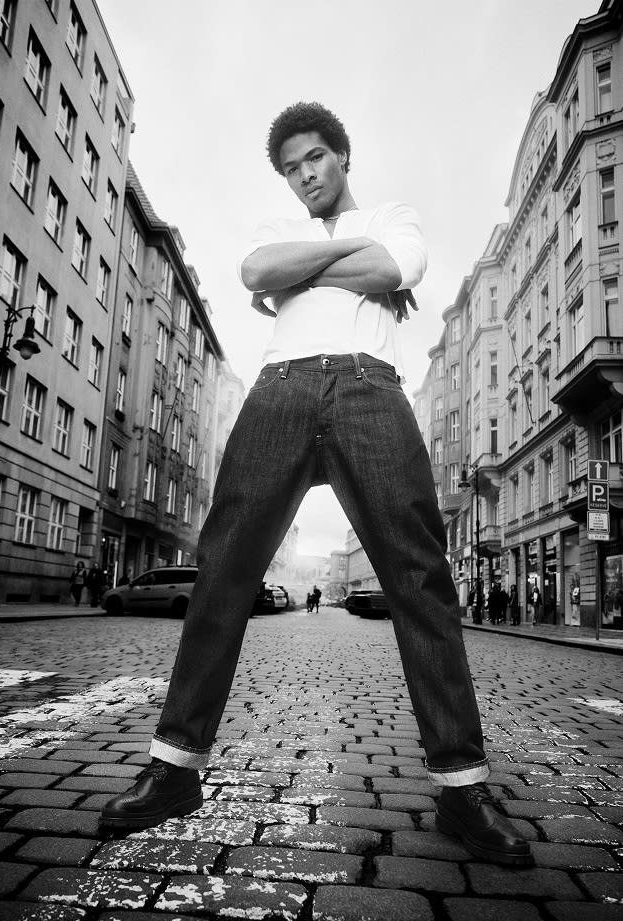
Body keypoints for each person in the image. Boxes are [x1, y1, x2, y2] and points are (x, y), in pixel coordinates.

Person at [100, 101, 531, 867]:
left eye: (315, 158)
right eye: (291, 168)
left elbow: (396, 269)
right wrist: (344, 262)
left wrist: (313, 269)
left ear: (342, 156)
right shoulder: (278, 229)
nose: (304, 175)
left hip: (372, 390)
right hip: (281, 390)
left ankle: (463, 790)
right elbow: (256, 272)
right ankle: (174, 771)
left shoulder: (393, 216)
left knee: (421, 579)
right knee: (222, 570)